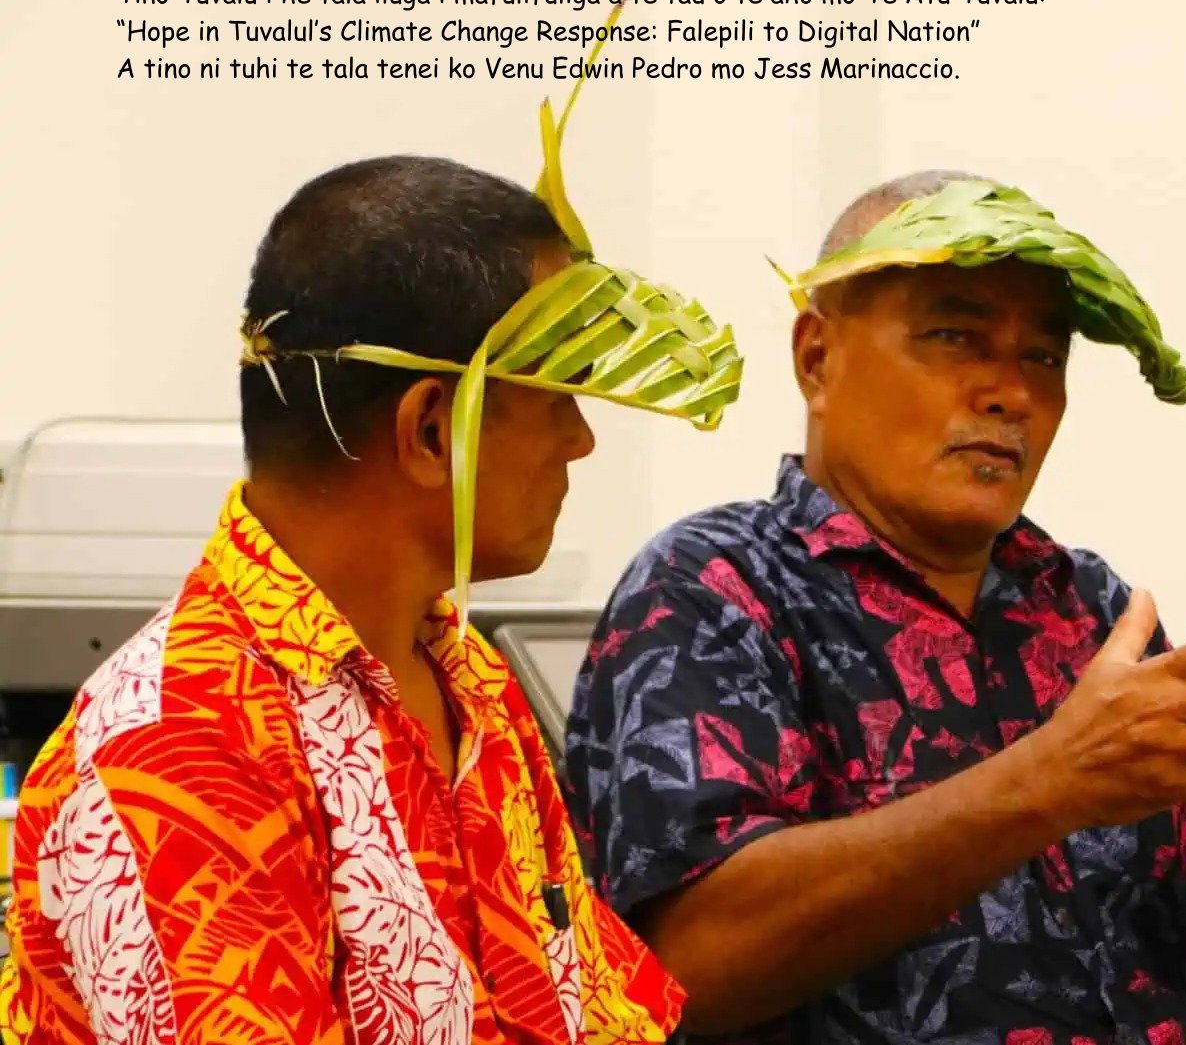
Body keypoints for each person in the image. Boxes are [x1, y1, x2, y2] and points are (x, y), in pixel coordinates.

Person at [565, 170, 1186, 1045]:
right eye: (954, 336)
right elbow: (680, 969)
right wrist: (1045, 783)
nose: (1009, 392)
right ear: (816, 359)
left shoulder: (1089, 606)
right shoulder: (712, 586)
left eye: (1043, 357)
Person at [0, 140, 741, 1044]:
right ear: (431, 429)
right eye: (557, 398)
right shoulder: (180, 748)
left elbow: (599, 1013)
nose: (581, 441)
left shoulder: (469, 681)